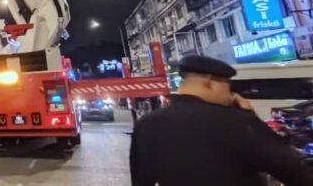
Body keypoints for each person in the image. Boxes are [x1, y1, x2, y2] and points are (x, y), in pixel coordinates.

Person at [130, 55, 313, 186]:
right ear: (209, 82)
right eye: (227, 86)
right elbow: (295, 172)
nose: (230, 94)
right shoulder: (237, 122)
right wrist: (252, 119)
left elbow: (141, 181)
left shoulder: (146, 124)